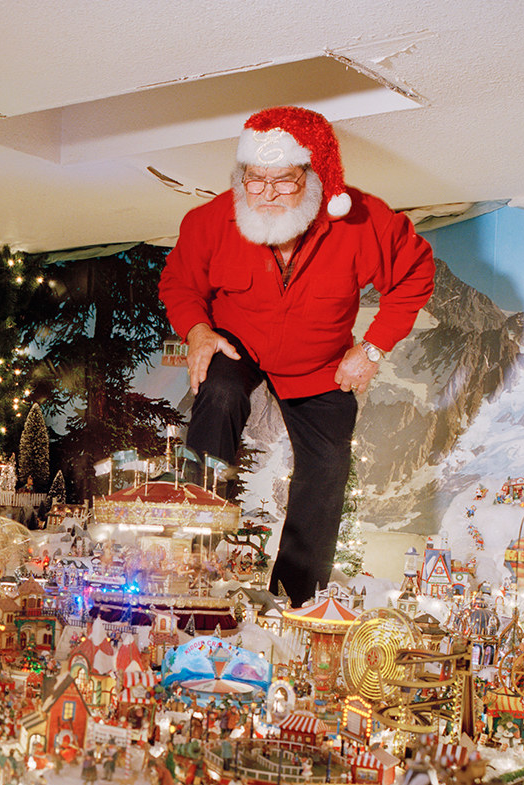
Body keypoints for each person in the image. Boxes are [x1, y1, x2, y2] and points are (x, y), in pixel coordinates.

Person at [159, 106, 435, 606]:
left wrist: (372, 348)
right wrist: (197, 329)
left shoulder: (361, 219)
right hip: (237, 345)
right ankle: (191, 563)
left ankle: (293, 596)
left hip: (319, 362)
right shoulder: (209, 221)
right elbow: (179, 280)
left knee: (328, 464)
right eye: (253, 180)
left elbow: (415, 272)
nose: (264, 195)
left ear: (315, 178)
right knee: (217, 391)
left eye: (282, 181)